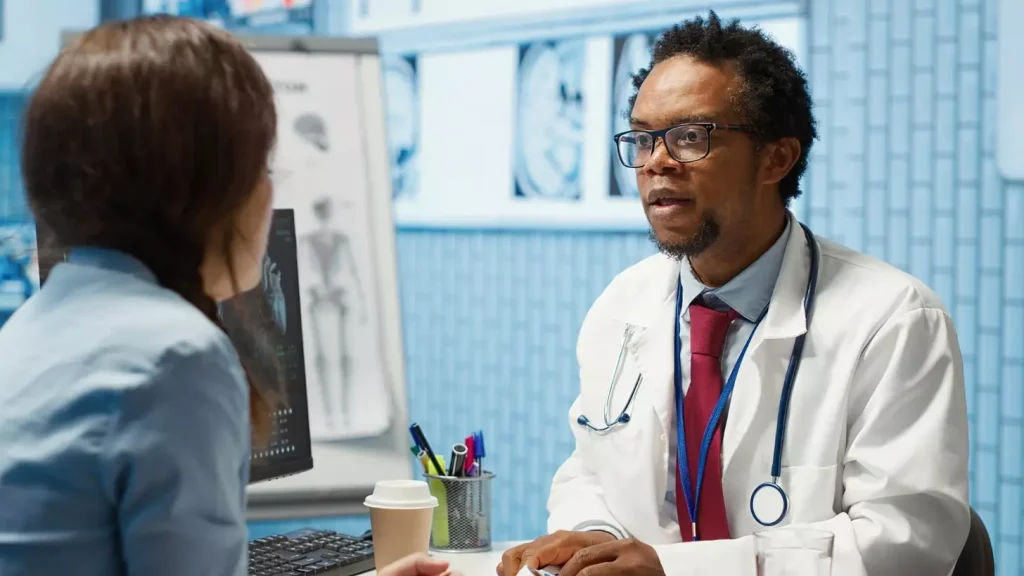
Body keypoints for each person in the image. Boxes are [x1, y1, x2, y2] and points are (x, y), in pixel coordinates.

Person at [500, 11, 969, 576]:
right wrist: (592, 538)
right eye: (643, 138)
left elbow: (905, 544)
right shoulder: (622, 306)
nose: (656, 162)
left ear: (777, 158)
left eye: (690, 137)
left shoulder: (893, 321)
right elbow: (592, 468)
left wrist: (678, 570)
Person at [0, 16, 454, 576]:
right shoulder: (174, 358)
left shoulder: (24, 333)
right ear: (207, 187)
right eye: (261, 165)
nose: (270, 189)